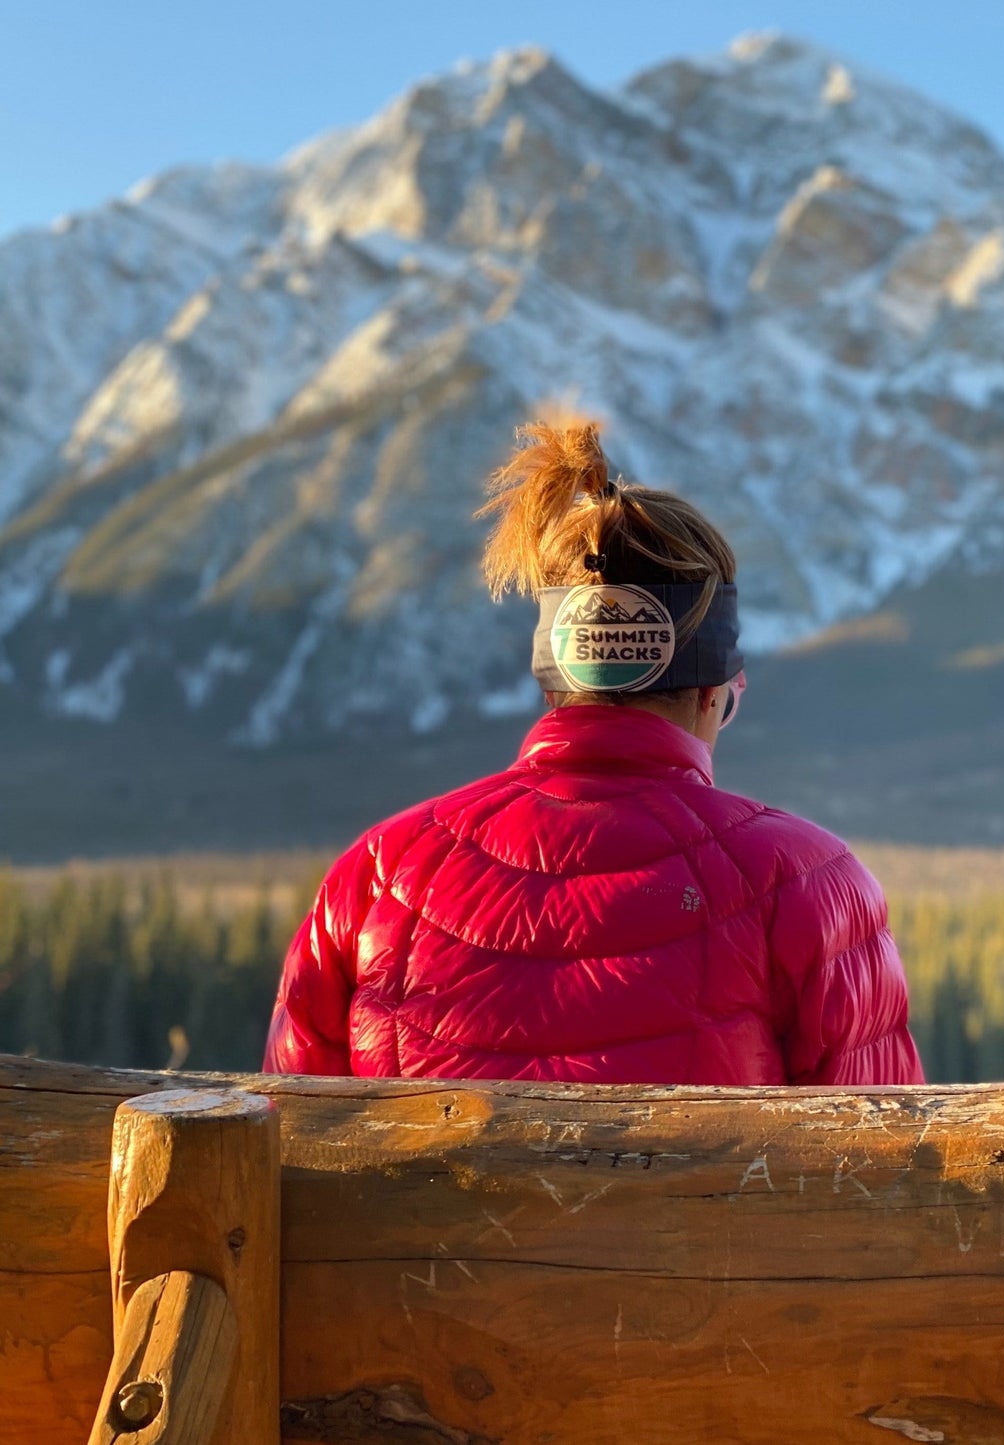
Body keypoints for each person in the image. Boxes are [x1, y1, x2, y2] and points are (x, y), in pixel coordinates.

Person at [263, 421, 923, 1085]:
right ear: (710, 693)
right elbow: (882, 1166)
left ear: (552, 680)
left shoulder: (377, 875)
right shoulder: (809, 882)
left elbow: (287, 1131)